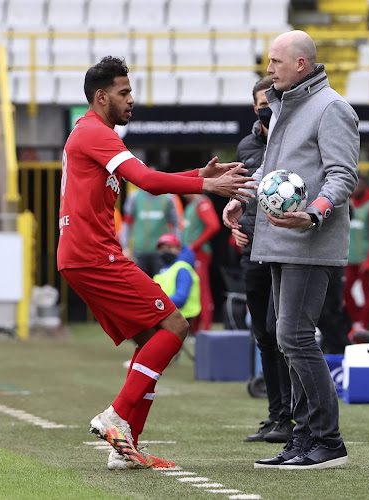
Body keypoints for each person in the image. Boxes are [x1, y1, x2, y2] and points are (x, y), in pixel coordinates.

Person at [57, 56, 254, 470]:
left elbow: (141, 178)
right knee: (177, 325)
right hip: (94, 255)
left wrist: (200, 172)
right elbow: (146, 182)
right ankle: (116, 417)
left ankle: (126, 449)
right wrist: (208, 185)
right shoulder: (95, 132)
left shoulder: (95, 134)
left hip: (83, 256)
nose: (132, 100)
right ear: (101, 96)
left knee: (153, 340)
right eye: (124, 93)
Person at [223, 30, 359, 469]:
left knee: (294, 338)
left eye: (275, 61)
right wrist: (240, 198)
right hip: (279, 240)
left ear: (301, 64)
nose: (268, 68)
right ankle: (303, 439)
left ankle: (328, 441)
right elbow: (272, 171)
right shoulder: (285, 105)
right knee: (288, 340)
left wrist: (314, 213)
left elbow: (342, 176)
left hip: (309, 241)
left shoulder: (332, 108)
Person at [232, 76, 294, 444]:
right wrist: (236, 220)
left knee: (279, 332)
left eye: (269, 102)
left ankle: (296, 415)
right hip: (251, 248)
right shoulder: (246, 145)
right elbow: (245, 193)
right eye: (259, 103)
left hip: (284, 248)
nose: (264, 108)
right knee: (264, 338)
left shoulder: (292, 139)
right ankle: (277, 416)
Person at [344, 173, 369, 330]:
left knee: (367, 294)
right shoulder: (350, 204)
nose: (355, 188)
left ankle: (364, 325)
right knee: (345, 291)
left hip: (365, 260)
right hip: (350, 259)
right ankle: (357, 321)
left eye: (358, 184)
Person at [121, 178, 181, 277]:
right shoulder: (134, 197)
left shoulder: (169, 198)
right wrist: (125, 246)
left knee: (161, 284)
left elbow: (176, 223)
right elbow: (127, 224)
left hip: (161, 252)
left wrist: (176, 245)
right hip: (139, 251)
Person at [181, 193, 220, 332]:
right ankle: (196, 330)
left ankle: (206, 330)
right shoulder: (191, 204)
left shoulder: (202, 202)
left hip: (200, 254)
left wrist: (194, 245)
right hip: (190, 254)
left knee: (203, 291)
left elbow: (214, 225)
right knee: (195, 292)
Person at [152, 233, 200, 325]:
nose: (165, 252)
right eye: (162, 249)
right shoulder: (162, 271)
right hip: (167, 315)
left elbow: (181, 298)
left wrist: (155, 304)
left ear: (178, 249)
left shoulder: (182, 268)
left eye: (169, 248)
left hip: (182, 319)